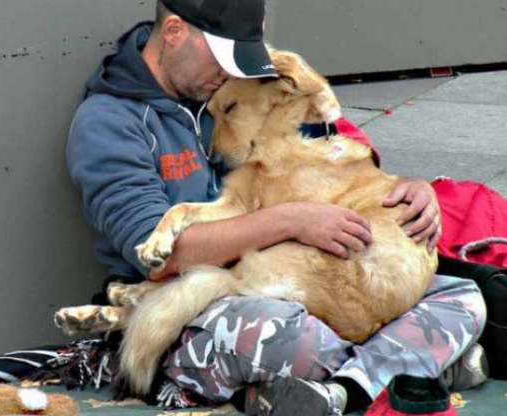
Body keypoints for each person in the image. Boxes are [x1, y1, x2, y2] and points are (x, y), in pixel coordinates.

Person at [65, 1, 487, 415]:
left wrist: (409, 190)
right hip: (189, 301)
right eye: (223, 57)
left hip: (301, 275)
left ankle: (345, 388)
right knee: (295, 340)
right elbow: (162, 257)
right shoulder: (109, 123)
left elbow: (326, 153)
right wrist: (291, 221)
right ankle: (411, 365)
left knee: (464, 295)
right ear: (174, 33)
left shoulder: (222, 81)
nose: (230, 73)